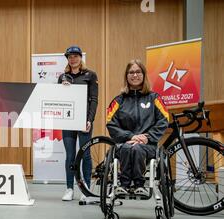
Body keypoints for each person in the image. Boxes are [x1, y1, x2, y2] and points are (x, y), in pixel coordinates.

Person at [106, 59, 168, 196]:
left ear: (144, 75)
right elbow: (111, 123)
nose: (135, 75)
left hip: (148, 145)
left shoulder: (154, 98)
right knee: (129, 147)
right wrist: (130, 136)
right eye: (131, 72)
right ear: (126, 76)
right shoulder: (118, 101)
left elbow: (163, 120)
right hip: (125, 143)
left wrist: (147, 137)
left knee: (137, 148)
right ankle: (124, 185)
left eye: (138, 72)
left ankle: (139, 185)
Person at [58, 45, 98, 205]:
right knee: (70, 156)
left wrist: (90, 119)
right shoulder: (62, 77)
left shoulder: (90, 75)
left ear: (81, 57)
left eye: (75, 56)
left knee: (86, 154)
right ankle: (69, 188)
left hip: (83, 122)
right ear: (67, 59)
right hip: (68, 121)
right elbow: (58, 99)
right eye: (70, 56)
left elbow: (94, 99)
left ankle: (86, 189)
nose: (73, 58)